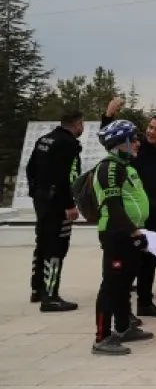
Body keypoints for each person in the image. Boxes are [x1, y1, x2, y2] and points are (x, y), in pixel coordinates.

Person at [102, 98, 156, 319]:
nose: (151, 132)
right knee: (128, 265)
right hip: (130, 216)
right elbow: (110, 138)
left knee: (150, 260)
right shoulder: (135, 149)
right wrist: (108, 115)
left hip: (155, 215)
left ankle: (144, 303)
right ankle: (121, 313)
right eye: (150, 127)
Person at [92, 119, 155, 355]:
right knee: (111, 284)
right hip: (117, 233)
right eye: (134, 139)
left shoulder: (126, 166)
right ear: (122, 142)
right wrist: (133, 231)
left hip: (130, 232)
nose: (138, 143)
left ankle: (124, 326)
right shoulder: (109, 167)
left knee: (126, 281)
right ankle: (102, 337)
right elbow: (114, 205)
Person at [27, 110, 84, 311]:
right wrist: (69, 204)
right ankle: (51, 296)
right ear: (77, 125)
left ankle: (37, 289)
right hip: (58, 201)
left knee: (42, 241)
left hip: (42, 198)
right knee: (57, 247)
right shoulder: (68, 144)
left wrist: (35, 192)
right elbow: (68, 176)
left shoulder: (45, 139)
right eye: (81, 124)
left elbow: (30, 168)